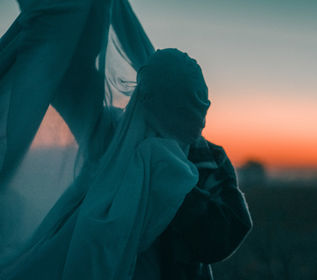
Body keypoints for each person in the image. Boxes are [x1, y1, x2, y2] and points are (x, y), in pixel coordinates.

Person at [0, 1, 251, 279]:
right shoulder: (156, 156)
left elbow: (71, 81)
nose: (200, 116)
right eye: (193, 106)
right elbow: (221, 232)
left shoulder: (119, 138)